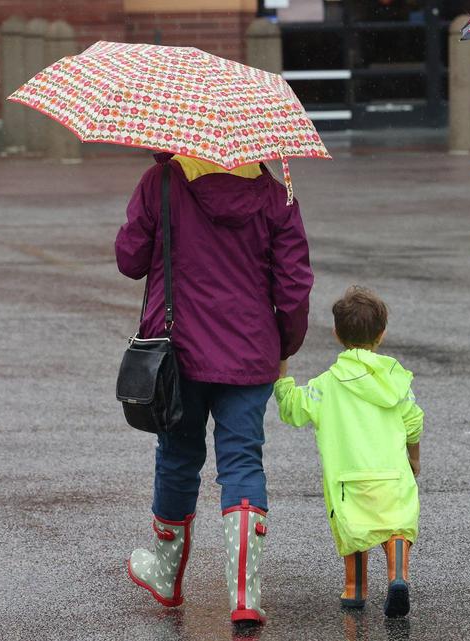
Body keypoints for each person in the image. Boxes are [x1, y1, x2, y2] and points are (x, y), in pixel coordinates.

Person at [116, 153, 313, 625]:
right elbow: (294, 285)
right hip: (249, 350)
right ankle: (244, 595)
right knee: (243, 459)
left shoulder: (161, 181)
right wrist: (284, 344)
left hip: (178, 351)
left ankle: (167, 576)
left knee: (178, 457)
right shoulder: (275, 192)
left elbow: (130, 260)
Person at [273, 286, 423, 618]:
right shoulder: (396, 382)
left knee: (353, 527)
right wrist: (414, 458)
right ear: (382, 334)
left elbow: (293, 409)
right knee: (397, 524)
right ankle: (398, 576)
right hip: (392, 475)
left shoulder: (325, 385)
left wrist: (281, 374)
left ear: (337, 334)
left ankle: (355, 589)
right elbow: (414, 421)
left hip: (348, 478)